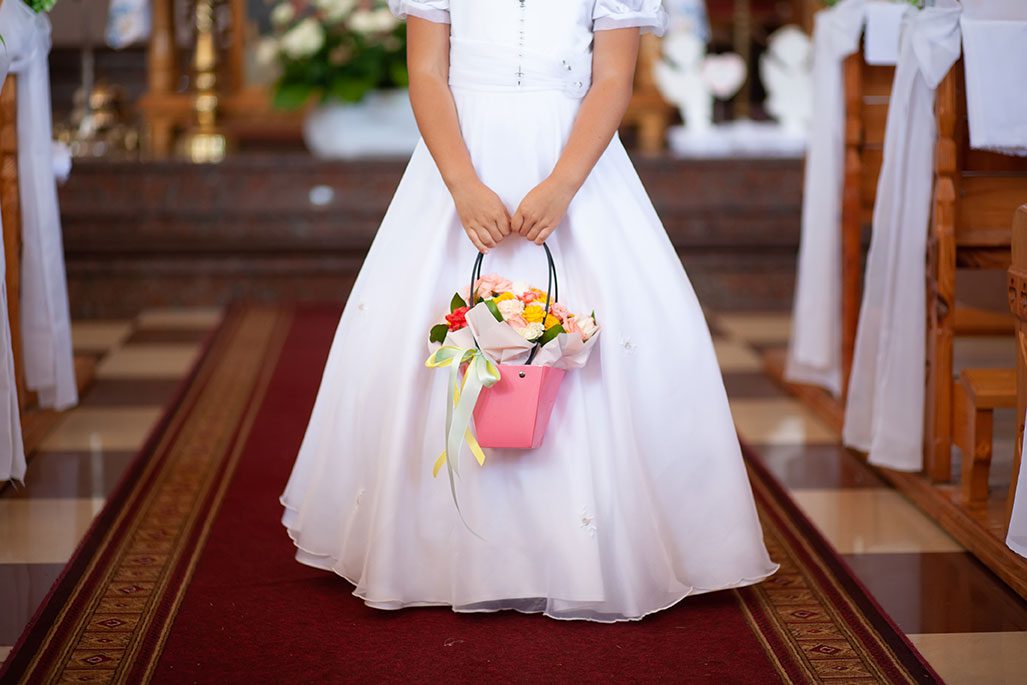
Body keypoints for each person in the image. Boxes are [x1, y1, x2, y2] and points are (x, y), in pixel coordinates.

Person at [280, 0, 777, 622]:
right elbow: (428, 72)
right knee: (430, 332)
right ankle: (435, 549)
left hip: (574, 161)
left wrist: (564, 183)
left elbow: (612, 78)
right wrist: (462, 183)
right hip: (462, 158)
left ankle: (591, 549)